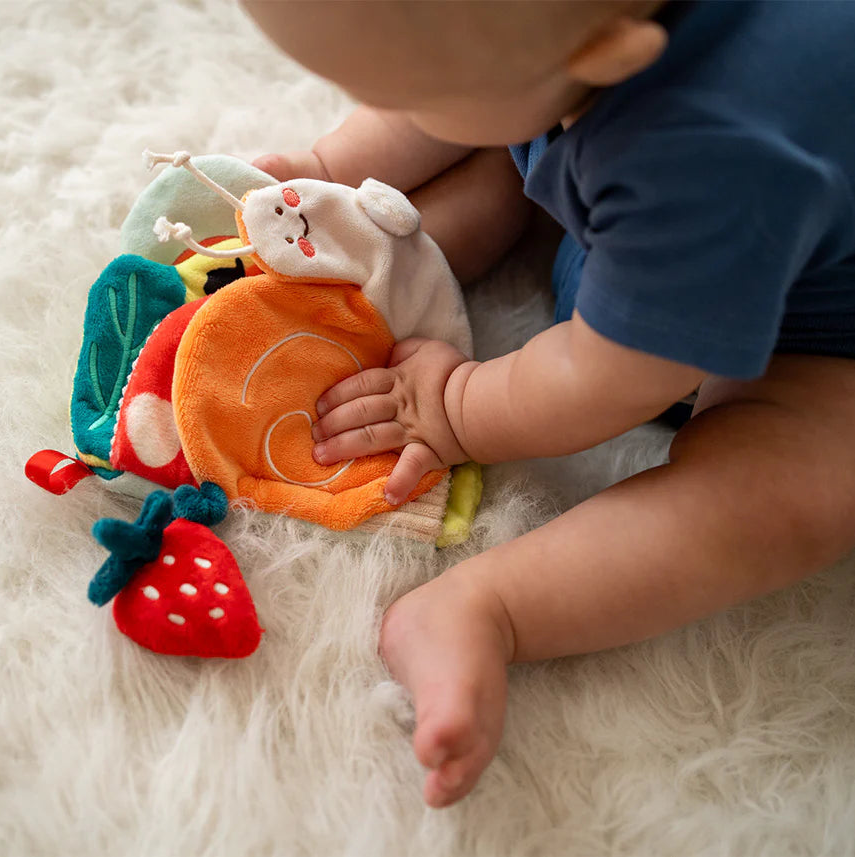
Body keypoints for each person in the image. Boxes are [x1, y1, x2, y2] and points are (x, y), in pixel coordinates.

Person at [242, 0, 855, 808]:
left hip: (817, 328)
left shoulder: (708, 147)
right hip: (647, 195)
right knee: (493, 127)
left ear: (603, 54)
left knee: (797, 487)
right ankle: (373, 265)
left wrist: (457, 404)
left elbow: (612, 377)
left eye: (403, 94)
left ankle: (492, 607)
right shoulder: (559, 50)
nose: (375, 104)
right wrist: (330, 163)